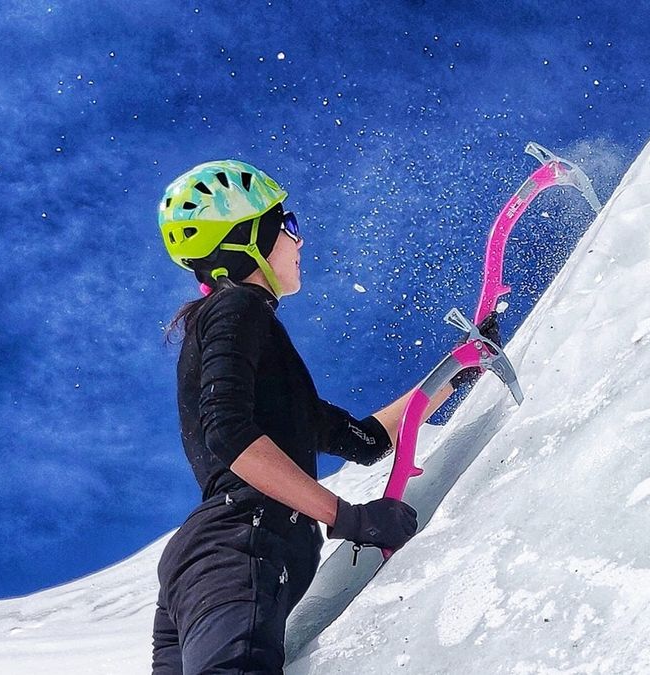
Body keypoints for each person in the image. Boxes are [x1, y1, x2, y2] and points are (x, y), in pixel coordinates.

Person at [150, 160, 465, 674]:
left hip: (205, 568)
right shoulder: (239, 308)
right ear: (248, 240)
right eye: (289, 225)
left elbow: (365, 441)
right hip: (238, 547)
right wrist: (350, 518)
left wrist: (456, 371)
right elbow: (227, 430)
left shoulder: (272, 378)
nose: (300, 241)